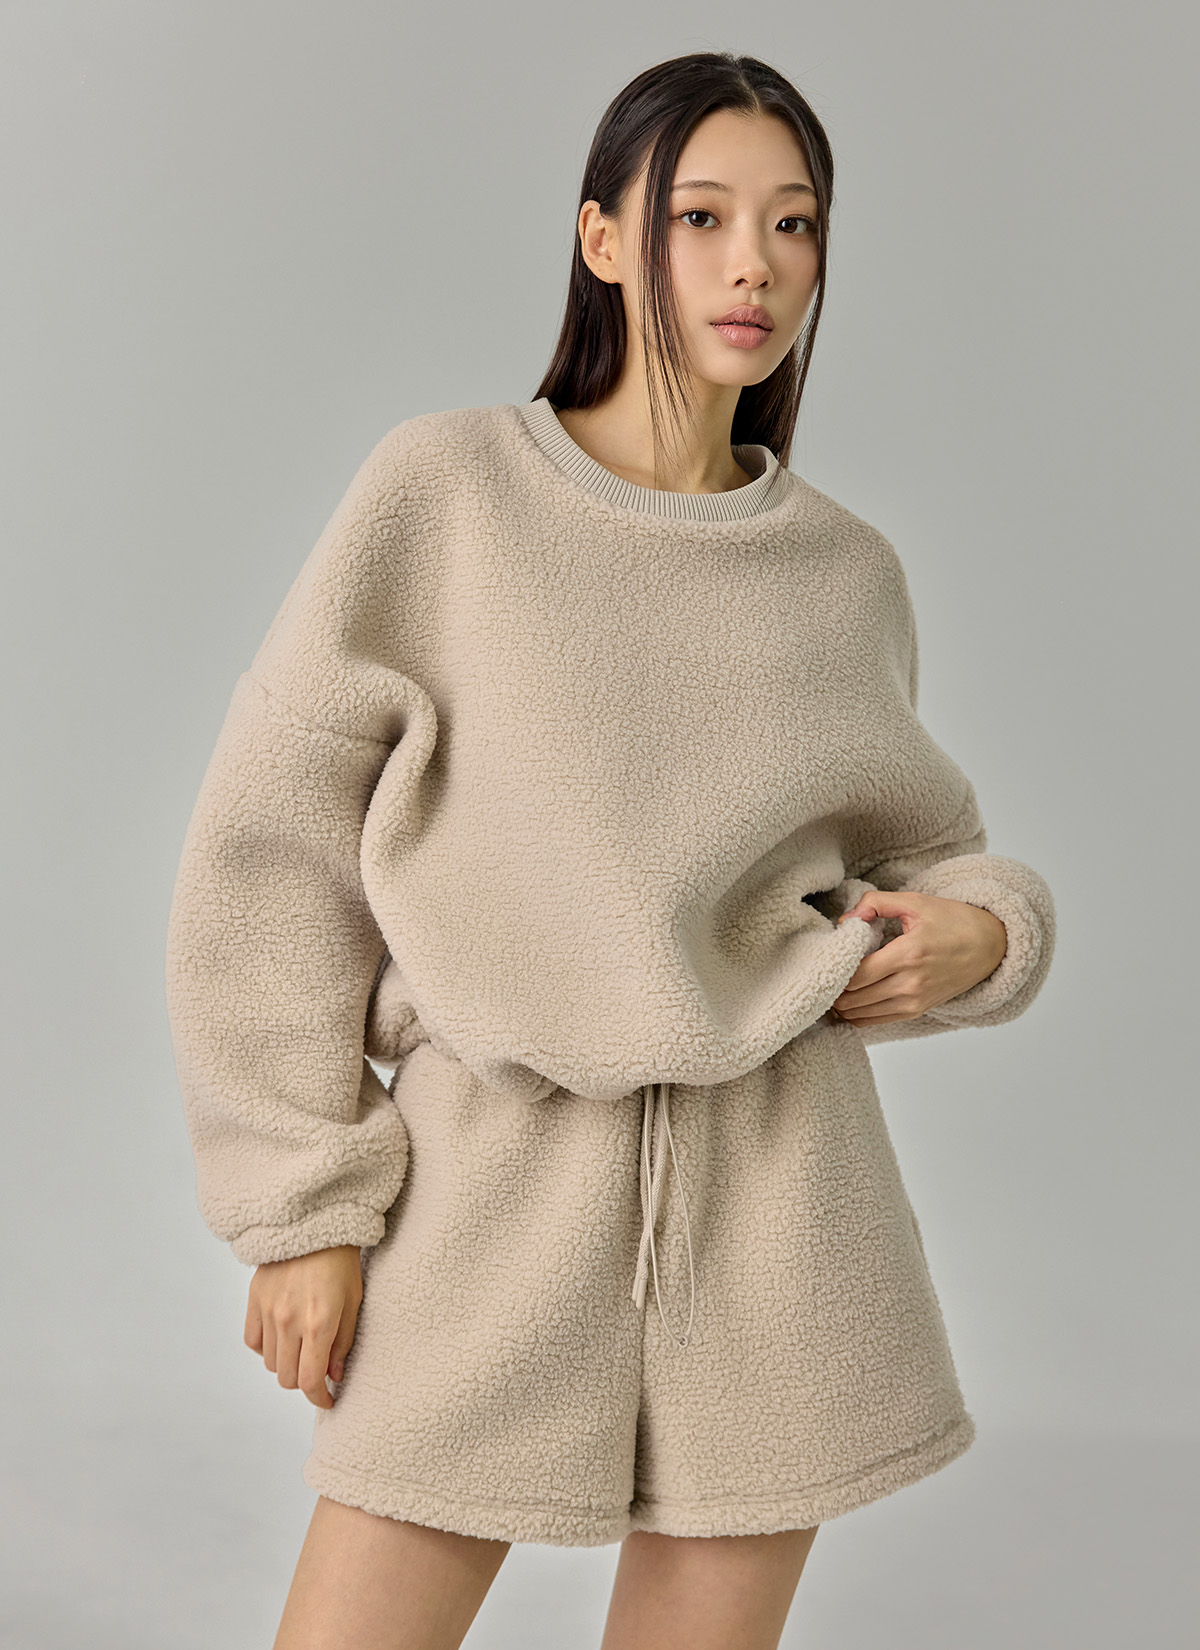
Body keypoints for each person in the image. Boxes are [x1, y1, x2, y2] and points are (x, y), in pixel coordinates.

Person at [164, 50, 1057, 1650]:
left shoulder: (843, 573)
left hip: (783, 1215)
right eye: (699, 216)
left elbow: (935, 848)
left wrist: (988, 932)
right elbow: (271, 866)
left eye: (792, 224)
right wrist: (304, 1207)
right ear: (600, 239)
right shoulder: (447, 497)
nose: (751, 264)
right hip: (487, 1196)